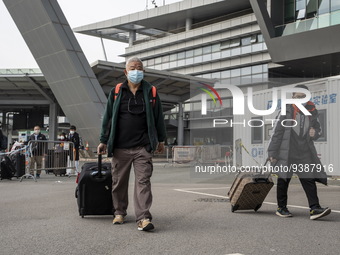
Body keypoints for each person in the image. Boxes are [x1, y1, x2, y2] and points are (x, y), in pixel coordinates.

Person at [97, 56, 166, 231]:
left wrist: (161, 140)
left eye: (139, 68)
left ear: (143, 71)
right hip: (120, 146)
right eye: (133, 68)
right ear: (126, 71)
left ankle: (143, 218)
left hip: (142, 146)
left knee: (143, 181)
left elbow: (159, 118)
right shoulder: (117, 91)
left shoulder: (151, 92)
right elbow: (108, 118)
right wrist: (103, 141)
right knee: (119, 182)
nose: (136, 71)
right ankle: (119, 212)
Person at [268, 85, 331, 220]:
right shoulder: (286, 110)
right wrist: (272, 152)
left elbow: (319, 129)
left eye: (304, 97)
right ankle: (281, 208)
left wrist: (315, 133)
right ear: (293, 97)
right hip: (287, 152)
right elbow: (277, 133)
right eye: (298, 97)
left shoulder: (313, 111)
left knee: (309, 180)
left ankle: (315, 209)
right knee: (283, 180)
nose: (301, 100)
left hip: (304, 152)